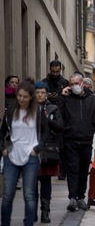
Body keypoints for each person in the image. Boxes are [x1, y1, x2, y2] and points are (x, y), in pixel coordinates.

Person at [0, 80, 49, 226]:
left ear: (31, 97)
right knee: (8, 195)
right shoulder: (10, 111)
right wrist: (3, 148)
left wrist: (37, 149)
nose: (21, 99)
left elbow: (46, 132)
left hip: (30, 157)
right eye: (19, 96)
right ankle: (5, 223)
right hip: (11, 156)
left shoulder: (38, 111)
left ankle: (28, 223)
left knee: (29, 195)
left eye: (25, 97)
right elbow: (2, 132)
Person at [57, 73, 95, 211]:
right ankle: (73, 198)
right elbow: (57, 113)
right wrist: (62, 96)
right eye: (71, 84)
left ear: (82, 83)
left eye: (76, 83)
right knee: (73, 170)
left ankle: (80, 197)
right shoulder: (66, 99)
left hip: (85, 141)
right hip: (70, 140)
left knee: (84, 170)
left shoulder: (93, 100)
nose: (74, 86)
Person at [34, 81, 65, 223]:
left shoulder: (53, 108)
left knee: (46, 182)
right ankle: (32, 211)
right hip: (31, 150)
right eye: (37, 92)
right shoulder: (27, 109)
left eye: (42, 92)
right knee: (31, 183)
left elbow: (60, 127)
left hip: (48, 150)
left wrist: (48, 121)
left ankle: (45, 212)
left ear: (46, 94)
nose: (40, 95)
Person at [42, 60, 69, 180]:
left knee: (62, 144)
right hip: (47, 115)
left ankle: (62, 171)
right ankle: (46, 167)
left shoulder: (65, 82)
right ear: (49, 69)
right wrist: (48, 96)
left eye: (57, 71)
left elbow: (67, 101)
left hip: (60, 116)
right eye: (53, 71)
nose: (54, 74)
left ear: (60, 69)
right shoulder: (44, 82)